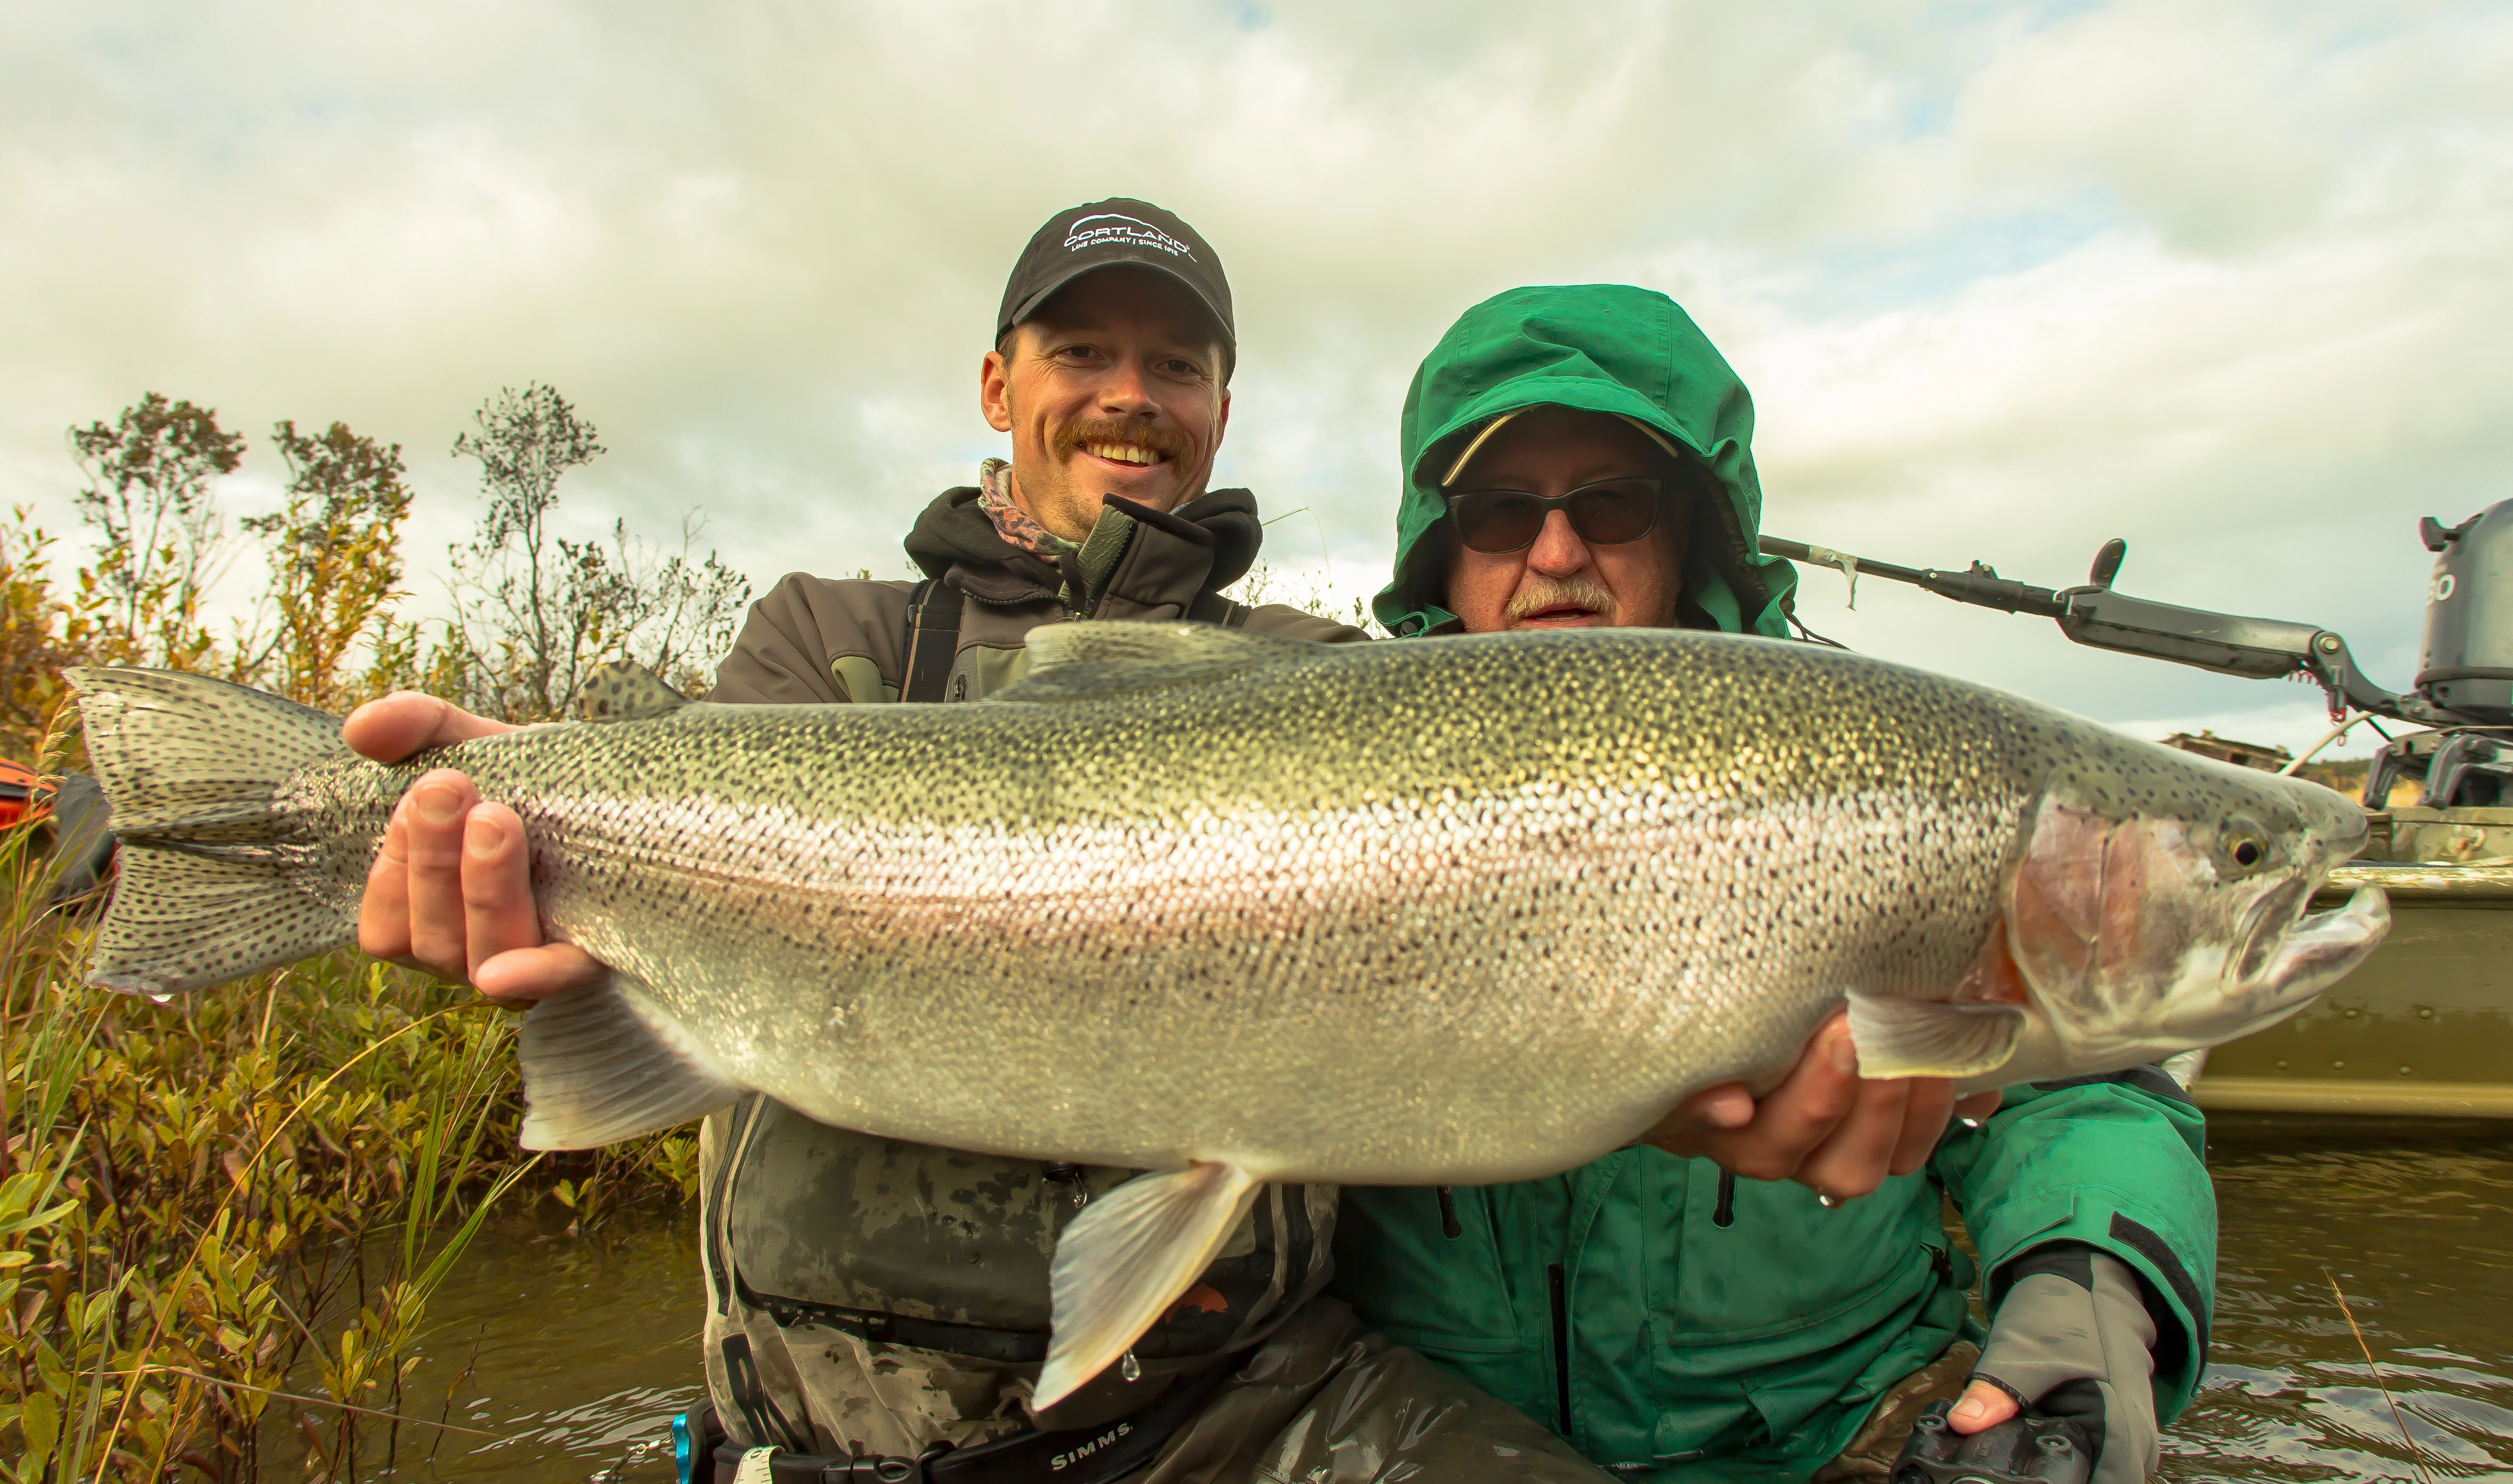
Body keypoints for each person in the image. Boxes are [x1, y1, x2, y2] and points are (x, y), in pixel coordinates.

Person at [346, 205, 1997, 1481]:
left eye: (1178, 365)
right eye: (1082, 353)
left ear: (1219, 409)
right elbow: (656, 858)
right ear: (998, 387)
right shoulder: (833, 642)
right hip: (844, 1418)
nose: (1130, 397)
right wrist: (511, 820)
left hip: (1248, 1402)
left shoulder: (1318, 675)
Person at [1335, 282, 2217, 1484]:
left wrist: (2087, 1304)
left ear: (1690, 530)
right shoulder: (1324, 792)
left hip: (1834, 1430)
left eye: (1612, 503)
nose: (1555, 551)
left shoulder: (1896, 770)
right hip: (1420, 1441)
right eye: (1498, 513)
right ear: (1442, 547)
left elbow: (2086, 1087)